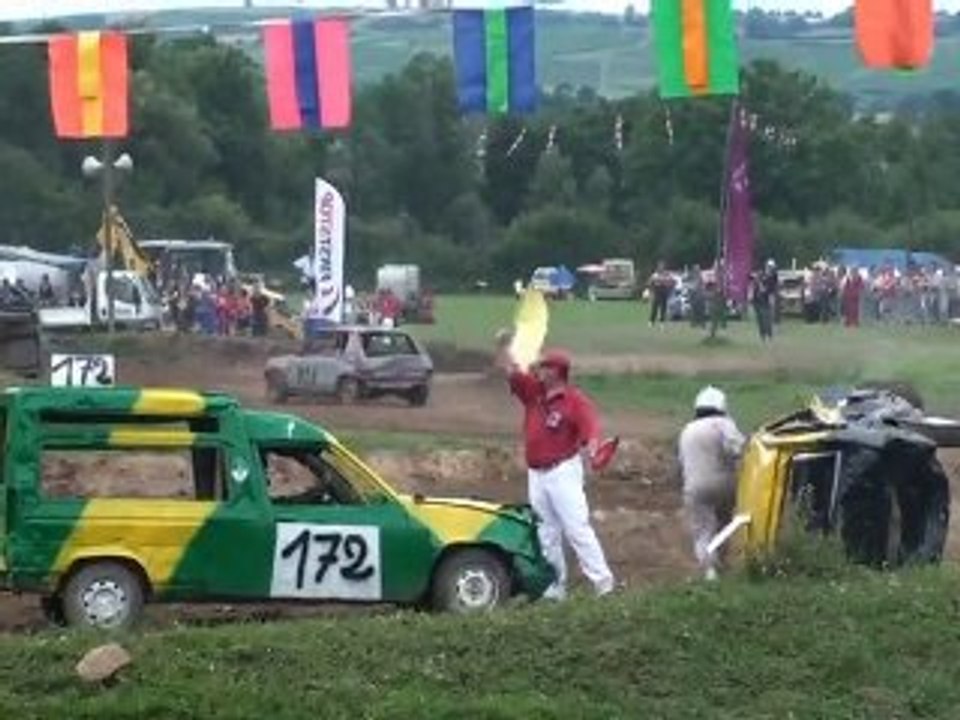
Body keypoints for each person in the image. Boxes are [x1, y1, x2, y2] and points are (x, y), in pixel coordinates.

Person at [501, 348, 615, 600]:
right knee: (546, 532)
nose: (538, 370)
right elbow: (512, 373)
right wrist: (507, 347)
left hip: (562, 471)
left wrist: (594, 448)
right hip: (536, 473)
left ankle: (604, 585)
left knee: (577, 528)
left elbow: (591, 429)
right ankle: (555, 587)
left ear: (557, 371)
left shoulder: (575, 401)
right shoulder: (534, 392)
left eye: (544, 366)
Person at [678, 386, 746, 581]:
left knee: (703, 531)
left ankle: (709, 571)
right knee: (724, 526)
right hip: (725, 484)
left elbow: (681, 462)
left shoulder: (687, 429)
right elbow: (739, 449)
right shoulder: (724, 424)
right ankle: (723, 565)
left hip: (695, 487)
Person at [749, 271, 773, 342]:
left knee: (766, 320)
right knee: (760, 320)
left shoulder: (766, 282)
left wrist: (760, 284)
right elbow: (752, 293)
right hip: (757, 303)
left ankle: (769, 335)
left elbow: (765, 291)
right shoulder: (755, 284)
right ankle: (762, 335)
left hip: (765, 304)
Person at [647, 261, 674, 327]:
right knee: (654, 307)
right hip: (657, 291)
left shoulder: (667, 274)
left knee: (663, 308)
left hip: (664, 291)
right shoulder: (655, 274)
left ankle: (662, 321)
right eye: (660, 266)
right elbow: (650, 282)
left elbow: (671, 281)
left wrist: (668, 284)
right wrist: (651, 289)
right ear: (658, 267)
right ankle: (651, 321)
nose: (661, 267)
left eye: (662, 266)